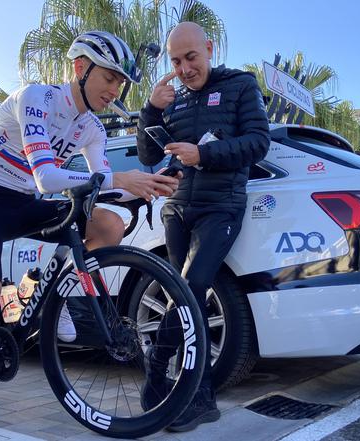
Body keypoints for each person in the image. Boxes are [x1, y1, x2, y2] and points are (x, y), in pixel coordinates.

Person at [0, 31, 180, 441]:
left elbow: (102, 184)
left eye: (121, 83)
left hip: (23, 200)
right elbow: (48, 176)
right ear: (80, 68)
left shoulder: (92, 128)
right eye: (108, 78)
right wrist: (119, 178)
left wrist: (149, 182)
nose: (115, 90)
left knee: (108, 224)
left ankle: (51, 296)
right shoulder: (36, 97)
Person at [136, 22, 270, 432]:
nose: (184, 68)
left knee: (189, 291)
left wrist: (203, 153)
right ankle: (201, 398)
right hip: (177, 211)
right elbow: (146, 154)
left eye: (191, 58)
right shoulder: (171, 101)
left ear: (209, 49)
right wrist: (151, 111)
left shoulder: (240, 85)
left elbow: (259, 142)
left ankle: (159, 376)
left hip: (220, 207)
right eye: (176, 61)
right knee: (185, 297)